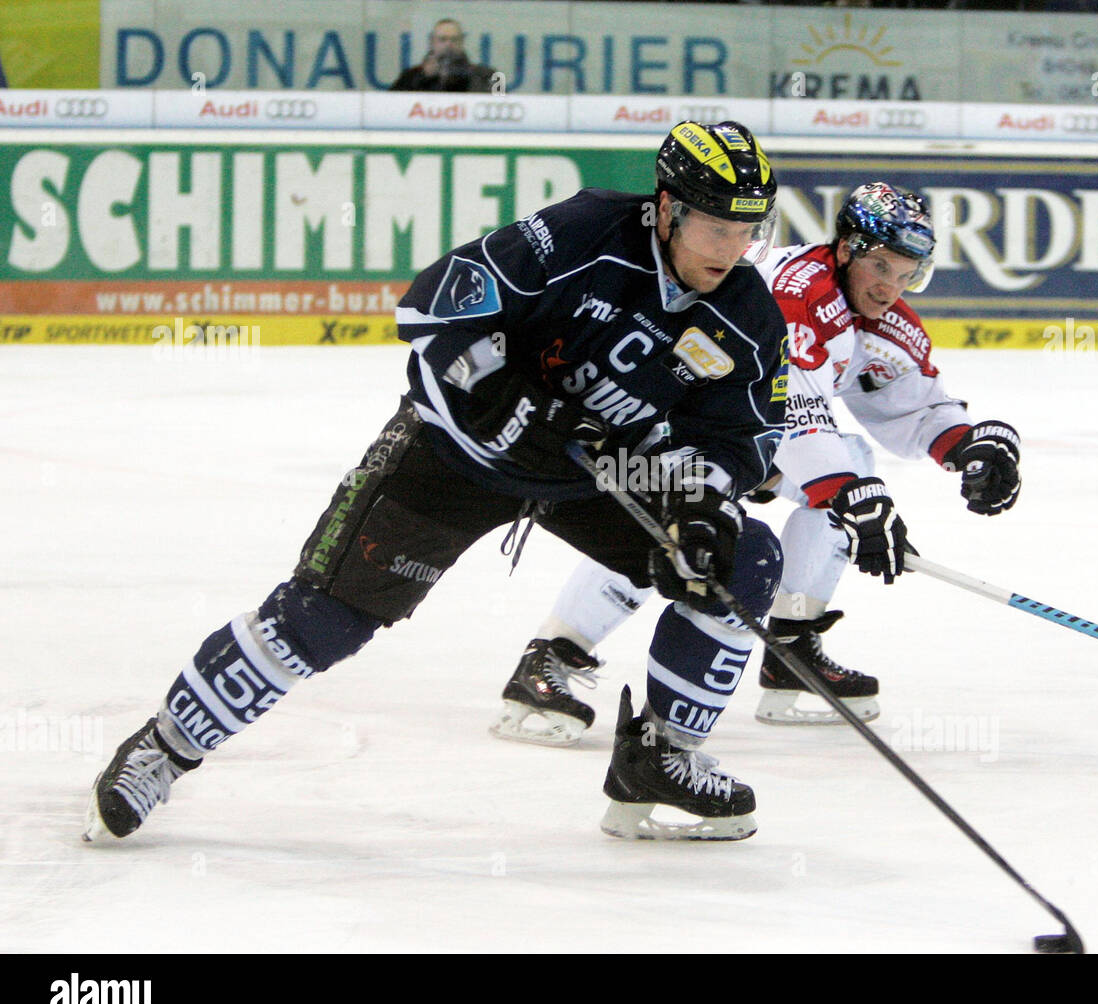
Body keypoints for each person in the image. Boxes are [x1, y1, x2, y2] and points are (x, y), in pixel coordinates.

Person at [84, 121, 788, 843]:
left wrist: (700, 500)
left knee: (740, 561)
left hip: (589, 472)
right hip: (456, 454)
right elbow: (436, 303)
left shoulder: (747, 314)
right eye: (717, 229)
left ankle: (661, 757)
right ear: (668, 207)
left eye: (748, 231)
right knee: (323, 619)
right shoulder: (583, 231)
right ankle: (165, 746)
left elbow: (743, 437)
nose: (733, 250)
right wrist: (506, 399)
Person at [490, 182, 1023, 743]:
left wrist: (966, 442)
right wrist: (846, 491)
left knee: (852, 468)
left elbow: (908, 399)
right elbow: (794, 410)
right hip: (661, 409)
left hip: (732, 424)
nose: (892, 287)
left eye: (906, 272)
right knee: (677, 519)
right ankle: (552, 653)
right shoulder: (800, 295)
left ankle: (790, 650)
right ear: (845, 249)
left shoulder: (869, 313)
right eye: (882, 266)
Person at [389, 18, 497, 93]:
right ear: (432, 42)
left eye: (454, 39)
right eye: (443, 39)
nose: (449, 44)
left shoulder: (487, 76)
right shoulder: (410, 77)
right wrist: (423, 78)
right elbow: (392, 105)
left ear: (462, 41)